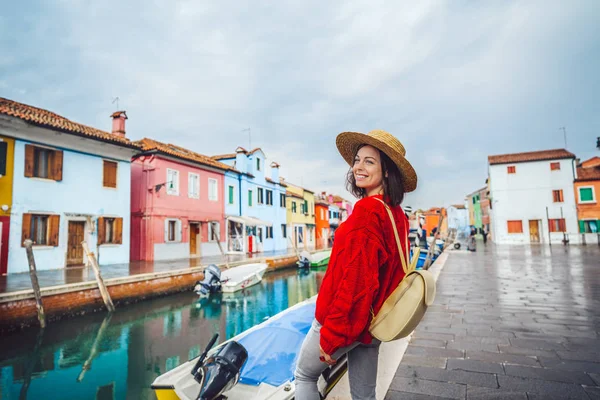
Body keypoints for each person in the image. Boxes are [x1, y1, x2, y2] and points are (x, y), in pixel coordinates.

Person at [294, 130, 417, 400]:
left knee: (304, 377)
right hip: (372, 324)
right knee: (365, 395)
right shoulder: (395, 213)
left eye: (369, 162)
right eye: (357, 160)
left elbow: (357, 282)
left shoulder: (367, 212)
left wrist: (332, 336)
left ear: (387, 171)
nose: (358, 167)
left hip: (348, 322)